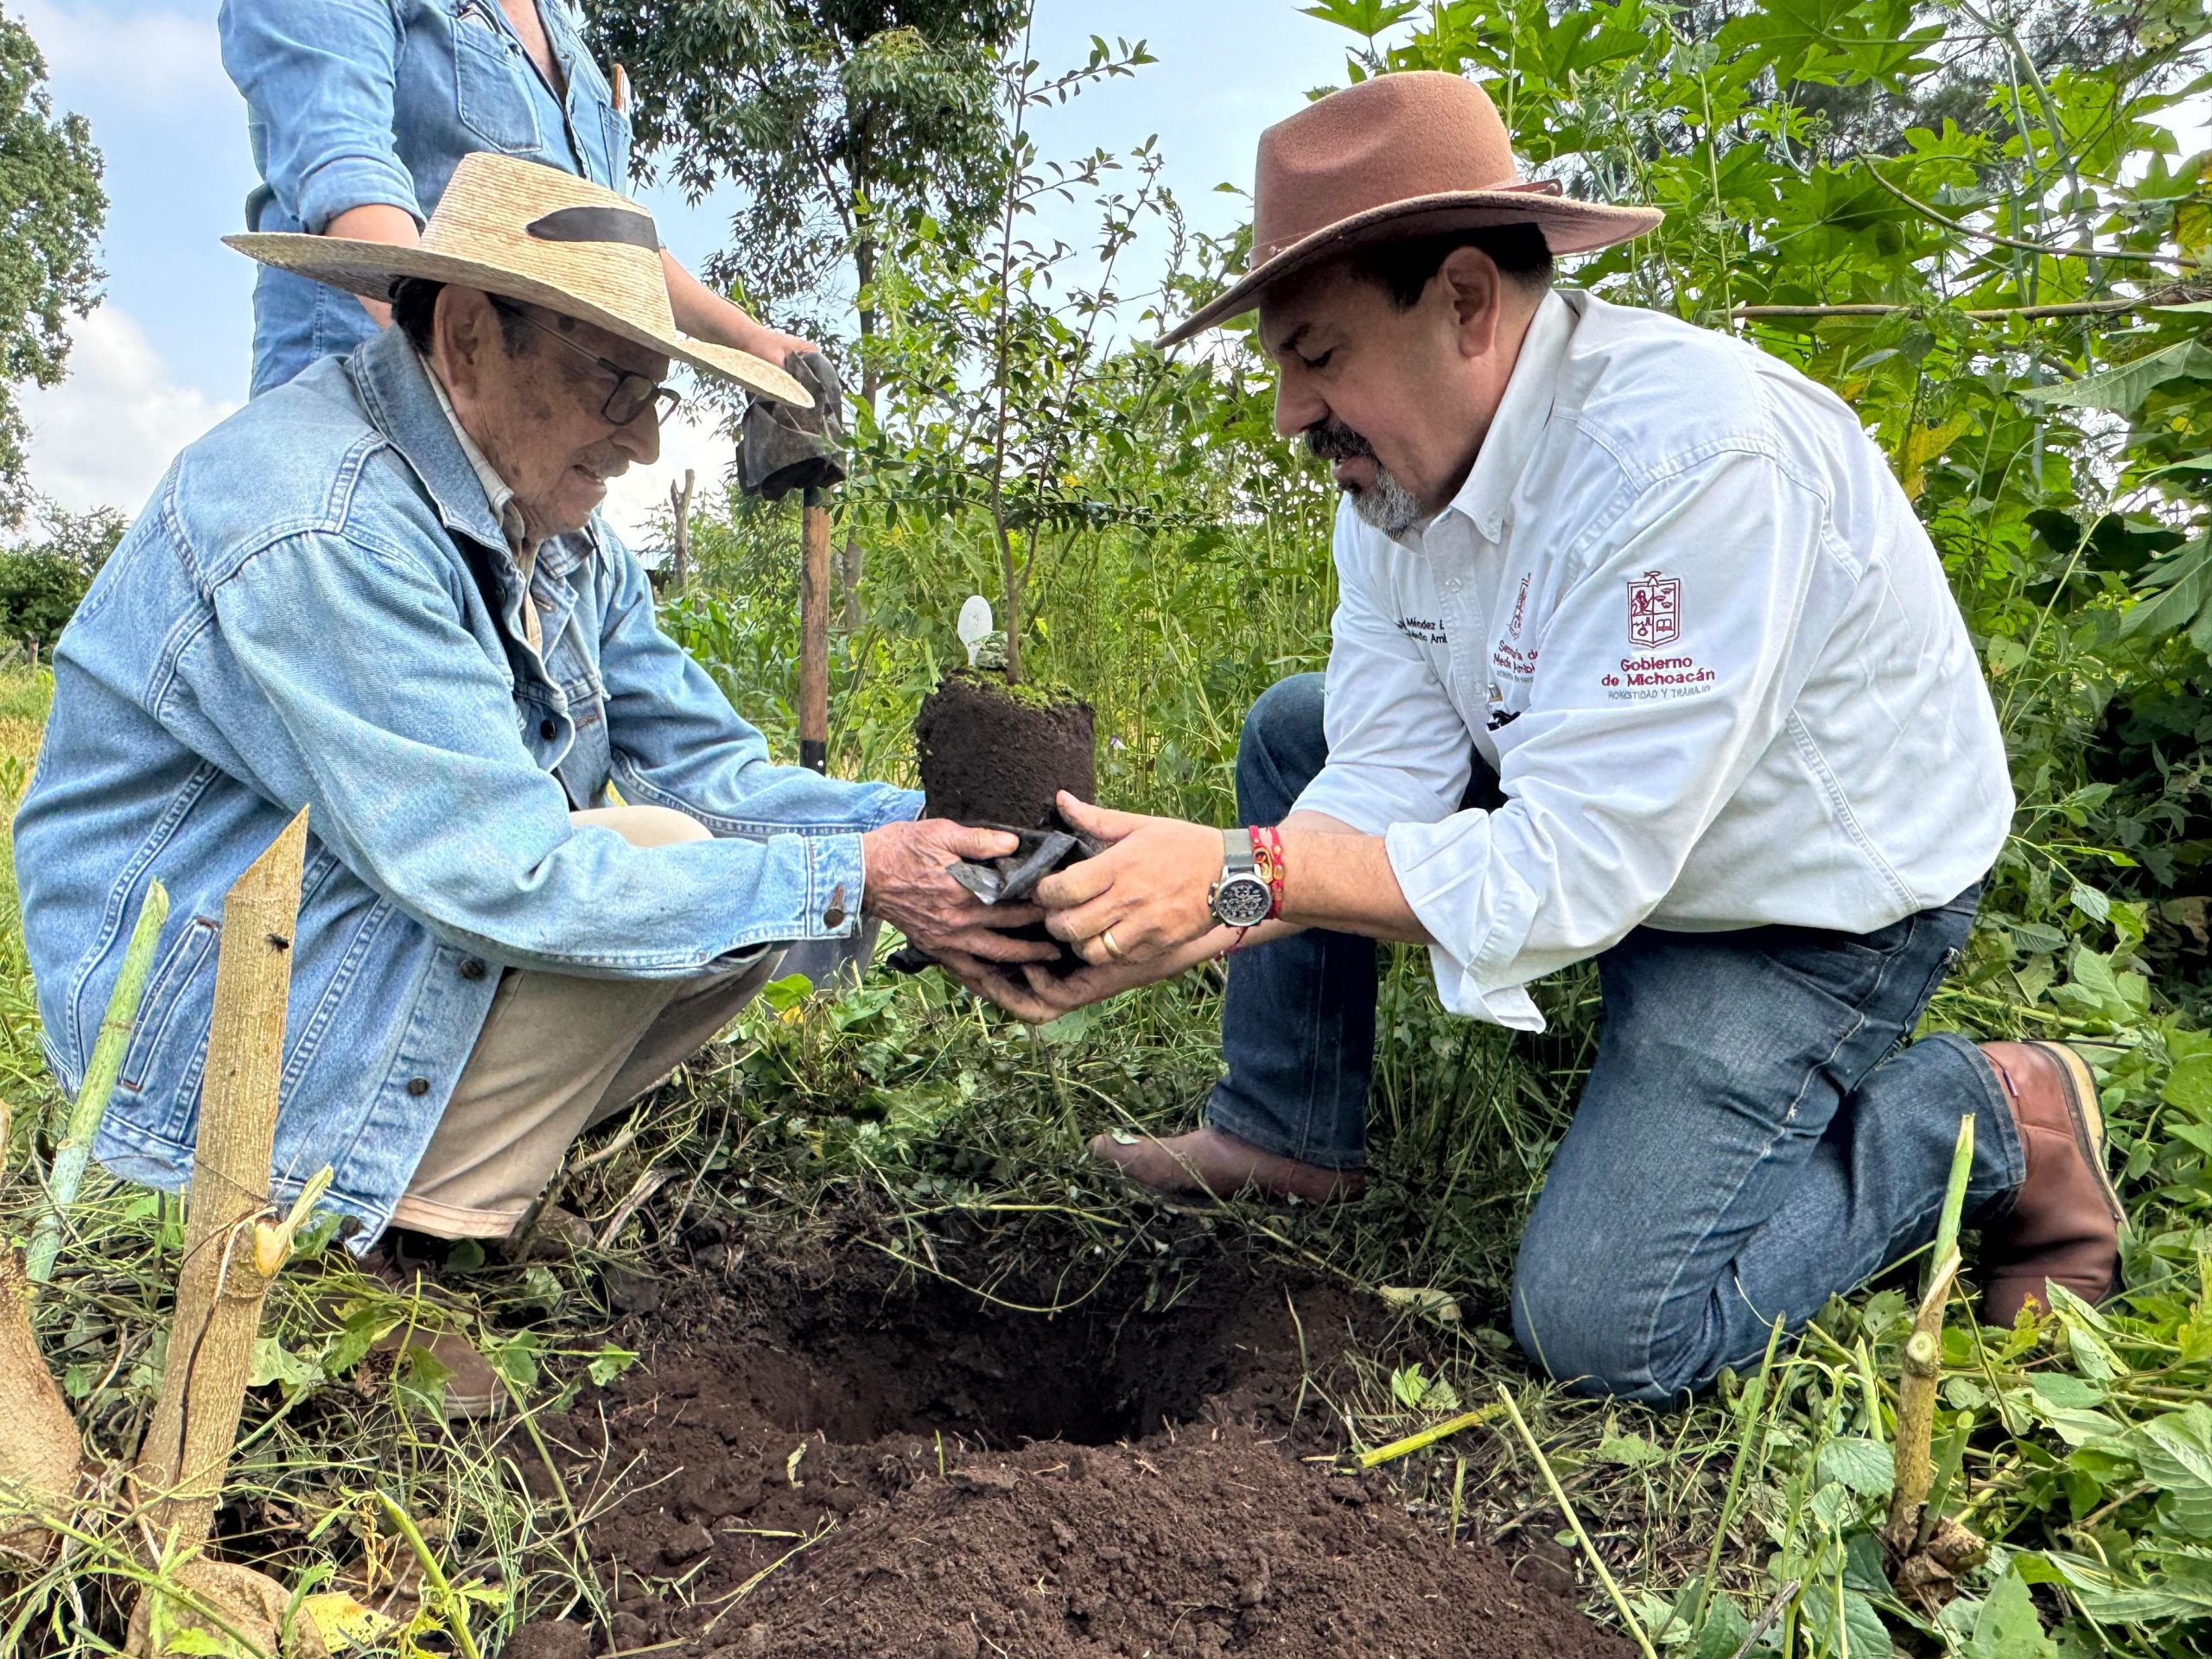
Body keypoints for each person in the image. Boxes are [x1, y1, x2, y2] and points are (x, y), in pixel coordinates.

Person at [968, 73, 2126, 1406]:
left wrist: (1243, 878)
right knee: (1302, 732)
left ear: (1466, 300)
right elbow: (1386, 771)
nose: (1289, 413)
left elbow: (1577, 865)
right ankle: (1287, 1131)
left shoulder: (1691, 467)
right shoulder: (1393, 494)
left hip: (1799, 902)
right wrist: (1174, 912)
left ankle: (2001, 1117)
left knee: (1607, 1331)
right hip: (1601, 807)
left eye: (1318, 356)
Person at [15, 155, 1052, 1412]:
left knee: (717, 869)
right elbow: (490, 866)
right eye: (615, 383)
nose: (646, 438)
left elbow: (714, 771)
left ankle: (437, 1206)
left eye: (656, 391)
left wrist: (921, 837)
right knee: (685, 872)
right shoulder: (321, 518)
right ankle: (338, 1254)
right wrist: (853, 882)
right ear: (464, 334)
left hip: (342, 936)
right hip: (192, 1038)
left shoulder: (557, 534)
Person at [219, 0, 811, 397]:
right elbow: (348, 173)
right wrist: (452, 365)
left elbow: (603, 239)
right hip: (372, 412)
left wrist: (750, 342)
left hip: (534, 420)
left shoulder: (561, 29)